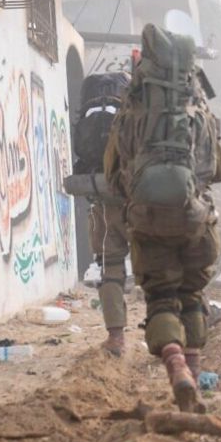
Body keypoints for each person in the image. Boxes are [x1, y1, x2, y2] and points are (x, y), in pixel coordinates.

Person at [105, 24, 221, 412]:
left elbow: (111, 172)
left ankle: (176, 368)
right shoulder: (201, 111)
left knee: (161, 297)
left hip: (147, 221)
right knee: (191, 295)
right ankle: (194, 374)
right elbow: (219, 171)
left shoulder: (132, 110)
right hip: (196, 221)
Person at [72, 69, 133, 356]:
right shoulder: (135, 114)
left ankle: (116, 338)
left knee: (110, 267)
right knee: (156, 269)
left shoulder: (89, 115)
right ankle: (169, 339)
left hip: (105, 201)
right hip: (138, 202)